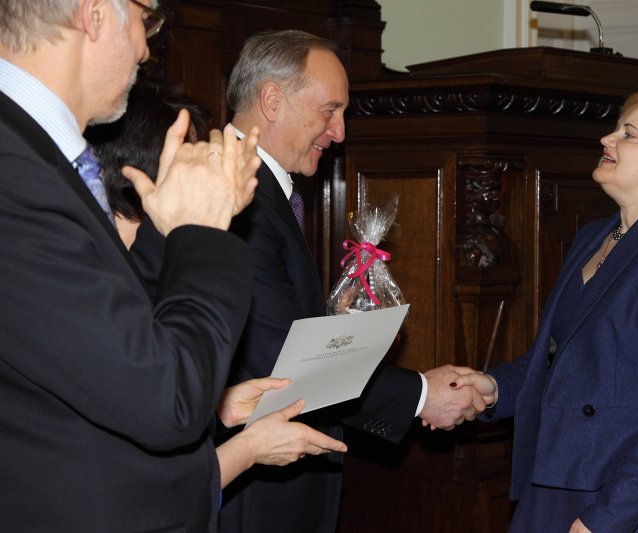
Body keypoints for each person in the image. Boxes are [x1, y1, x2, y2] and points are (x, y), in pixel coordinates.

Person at [0, 1, 264, 530]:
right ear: (95, 13)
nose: (147, 48)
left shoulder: (40, 157)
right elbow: (167, 401)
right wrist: (202, 232)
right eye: (146, 18)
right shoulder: (15, 174)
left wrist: (171, 229)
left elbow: (103, 358)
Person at [218, 29, 486, 533]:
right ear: (272, 100)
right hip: (254, 500)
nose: (339, 132)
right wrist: (422, 396)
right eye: (329, 111)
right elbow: (277, 360)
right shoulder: (237, 194)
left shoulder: (258, 188)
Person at [450, 90, 638, 532]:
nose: (608, 138)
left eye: (629, 134)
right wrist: (492, 387)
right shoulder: (591, 237)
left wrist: (609, 516)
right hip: (558, 480)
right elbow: (557, 360)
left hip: (637, 497)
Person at [87, 83, 348, 486]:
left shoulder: (121, 263)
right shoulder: (96, 284)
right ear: (141, 177)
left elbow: (141, 408)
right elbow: (126, 483)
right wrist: (248, 449)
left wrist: (217, 412)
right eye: (192, 169)